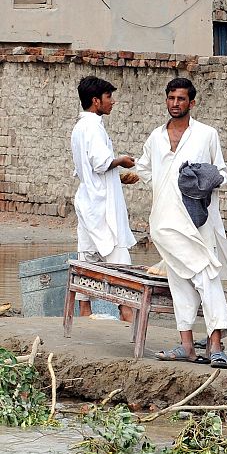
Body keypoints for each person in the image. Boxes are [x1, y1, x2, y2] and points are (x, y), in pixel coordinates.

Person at [136, 78, 227, 368]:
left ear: (191, 103)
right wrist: (164, 185)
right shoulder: (156, 137)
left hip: (198, 222)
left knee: (194, 277)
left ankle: (200, 345)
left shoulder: (207, 134)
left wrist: (201, 179)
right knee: (194, 277)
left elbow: (221, 173)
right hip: (164, 223)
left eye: (181, 99)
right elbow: (144, 168)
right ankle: (204, 345)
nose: (175, 103)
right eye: (171, 98)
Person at [70, 76, 138, 321]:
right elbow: (100, 164)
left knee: (87, 256)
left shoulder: (80, 128)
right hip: (102, 207)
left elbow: (87, 170)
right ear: (96, 100)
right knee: (119, 257)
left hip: (88, 200)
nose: (113, 102)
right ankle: (127, 313)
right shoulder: (93, 127)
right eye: (109, 97)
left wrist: (118, 178)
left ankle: (85, 313)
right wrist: (122, 161)